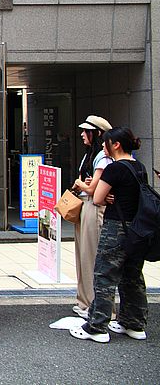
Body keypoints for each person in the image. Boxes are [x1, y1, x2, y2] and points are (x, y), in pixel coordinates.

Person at [71, 127, 149, 343]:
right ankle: (134, 324)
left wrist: (104, 197)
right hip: (137, 228)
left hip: (116, 227)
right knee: (133, 276)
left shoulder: (114, 169)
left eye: (106, 143)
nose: (103, 146)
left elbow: (97, 198)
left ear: (116, 145)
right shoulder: (139, 167)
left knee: (105, 275)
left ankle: (97, 326)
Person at [70, 115, 112, 319]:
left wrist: (81, 184)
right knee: (83, 254)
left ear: (97, 133)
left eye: (86, 131)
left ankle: (94, 304)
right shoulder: (91, 155)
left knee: (91, 256)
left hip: (94, 207)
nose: (82, 134)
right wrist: (82, 184)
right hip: (85, 205)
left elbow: (92, 188)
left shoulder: (103, 158)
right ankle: (84, 301)